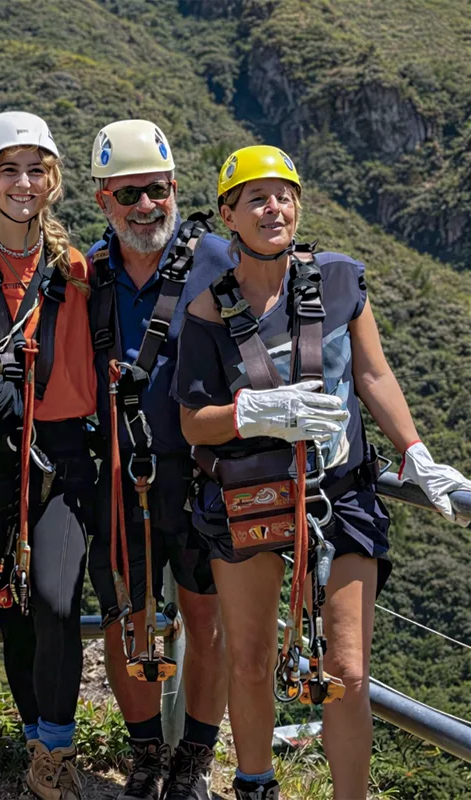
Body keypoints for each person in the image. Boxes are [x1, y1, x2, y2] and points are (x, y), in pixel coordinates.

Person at [173, 145, 471, 800]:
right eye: (256, 198)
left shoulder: (338, 281)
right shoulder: (204, 314)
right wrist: (255, 410)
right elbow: (195, 421)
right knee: (249, 661)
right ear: (229, 215)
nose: (273, 207)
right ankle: (255, 784)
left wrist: (414, 449)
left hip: (337, 493)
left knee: (346, 668)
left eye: (284, 196)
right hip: (248, 493)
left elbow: (371, 373)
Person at [0, 111, 96, 800]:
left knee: (58, 602)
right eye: (9, 169)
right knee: (15, 611)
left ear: (54, 180)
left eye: (37, 168)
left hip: (61, 458)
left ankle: (56, 753)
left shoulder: (75, 268)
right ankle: (41, 744)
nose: (23, 182)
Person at [83, 119, 228, 800]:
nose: (147, 207)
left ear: (176, 188)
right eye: (130, 194)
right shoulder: (87, 274)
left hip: (203, 476)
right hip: (118, 475)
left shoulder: (219, 261)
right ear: (103, 199)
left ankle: (194, 761)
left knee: (206, 621)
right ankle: (145, 757)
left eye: (159, 191)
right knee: (127, 621)